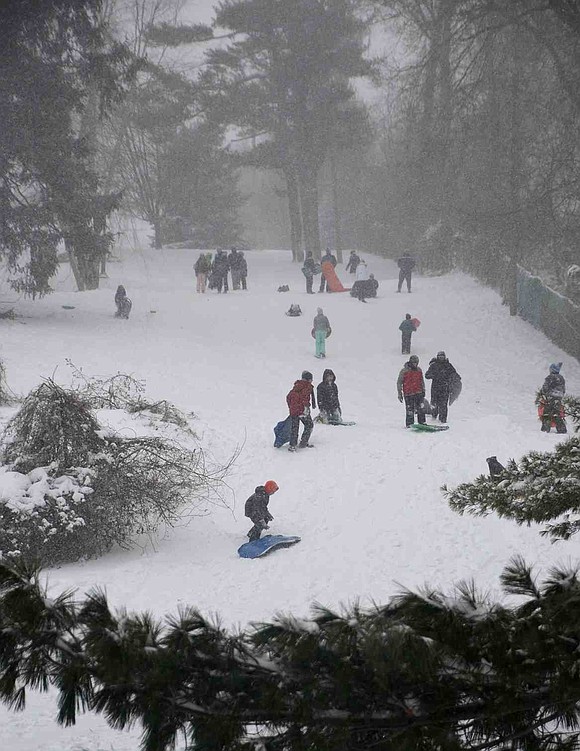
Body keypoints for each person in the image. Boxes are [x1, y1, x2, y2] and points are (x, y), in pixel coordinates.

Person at [425, 351, 460, 423]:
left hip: (445, 389)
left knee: (443, 405)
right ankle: (433, 418)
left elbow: (454, 374)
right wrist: (434, 376)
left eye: (442, 357)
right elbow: (427, 375)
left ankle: (443, 420)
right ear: (437, 357)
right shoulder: (434, 365)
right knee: (434, 404)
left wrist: (456, 378)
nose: (441, 358)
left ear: (444, 357)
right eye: (439, 357)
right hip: (435, 388)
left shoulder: (448, 365)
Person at [286, 370, 316, 451]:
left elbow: (288, 397)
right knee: (309, 425)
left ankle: (292, 445)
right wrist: (306, 407)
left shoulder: (296, 386)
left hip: (294, 411)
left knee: (294, 428)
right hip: (302, 410)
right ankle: (303, 442)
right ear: (309, 379)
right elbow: (305, 398)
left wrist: (291, 407)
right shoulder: (307, 386)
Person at [397, 354, 426, 427]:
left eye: (416, 362)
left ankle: (422, 422)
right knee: (410, 410)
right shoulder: (404, 371)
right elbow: (399, 382)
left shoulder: (419, 370)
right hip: (408, 394)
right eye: (413, 362)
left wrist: (423, 390)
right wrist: (399, 393)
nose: (414, 364)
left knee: (421, 408)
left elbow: (421, 381)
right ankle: (410, 424)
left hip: (418, 393)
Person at [539, 362, 567, 433]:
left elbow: (545, 388)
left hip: (551, 397)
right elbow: (563, 389)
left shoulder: (550, 377)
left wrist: (544, 394)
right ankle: (561, 429)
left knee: (547, 412)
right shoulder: (561, 378)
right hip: (559, 398)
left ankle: (545, 428)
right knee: (557, 412)